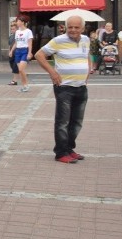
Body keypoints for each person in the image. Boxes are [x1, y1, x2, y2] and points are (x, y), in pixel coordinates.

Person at [34, 15, 90, 164]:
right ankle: (60, 153)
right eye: (70, 27)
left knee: (76, 122)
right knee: (63, 122)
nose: (72, 30)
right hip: (64, 88)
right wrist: (52, 72)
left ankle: (69, 149)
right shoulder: (58, 41)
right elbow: (39, 55)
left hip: (81, 87)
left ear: (82, 28)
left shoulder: (86, 40)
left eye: (76, 27)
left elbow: (87, 56)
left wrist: (87, 73)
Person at [9, 15, 33, 92]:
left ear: (22, 22)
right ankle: (24, 85)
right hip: (17, 51)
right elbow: (16, 43)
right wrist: (11, 51)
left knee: (21, 69)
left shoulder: (28, 31)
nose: (17, 22)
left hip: (24, 51)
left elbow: (30, 43)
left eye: (18, 21)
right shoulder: (17, 32)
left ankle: (26, 85)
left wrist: (29, 53)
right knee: (20, 70)